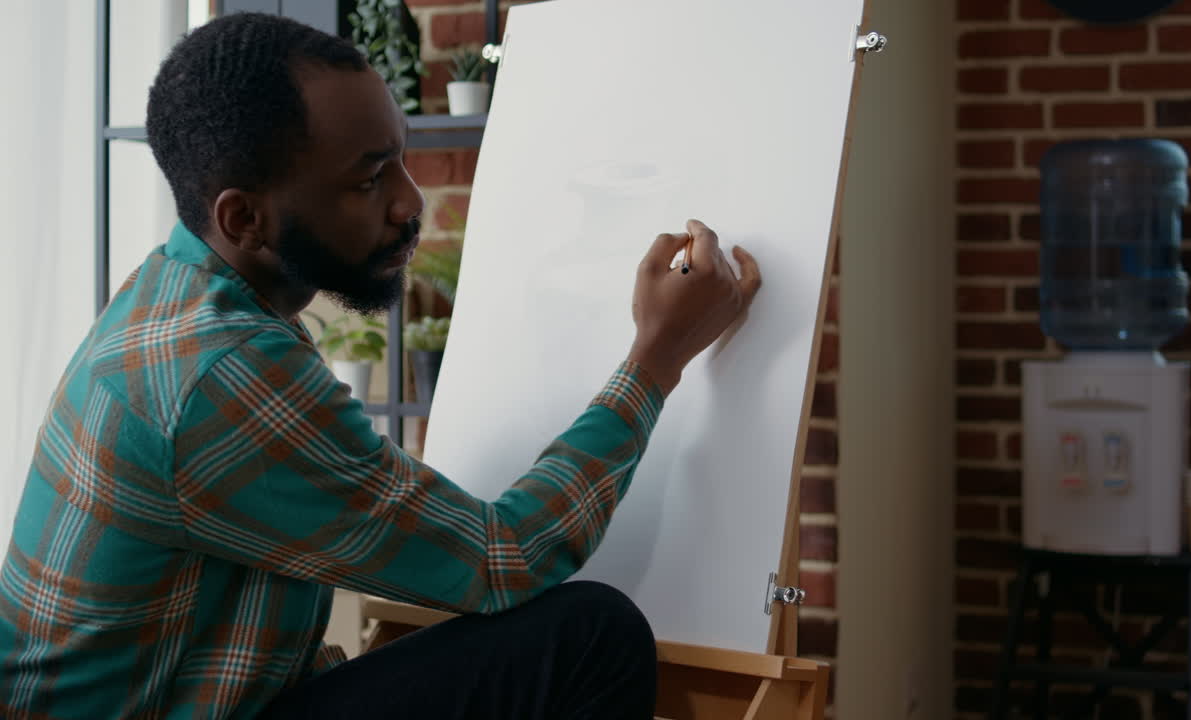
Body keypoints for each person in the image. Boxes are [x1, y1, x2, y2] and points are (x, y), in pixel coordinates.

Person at [0, 12, 760, 720]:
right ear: (243, 218)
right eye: (368, 180)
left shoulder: (176, 292)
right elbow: (506, 560)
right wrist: (656, 359)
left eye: (401, 156)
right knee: (590, 634)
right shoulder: (220, 371)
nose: (409, 201)